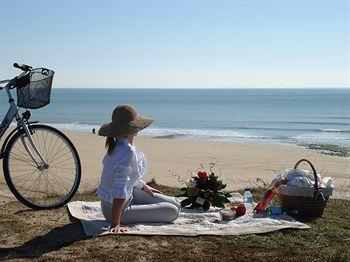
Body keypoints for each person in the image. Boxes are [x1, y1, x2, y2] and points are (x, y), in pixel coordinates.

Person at [97, 104, 181, 233]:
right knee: (173, 212)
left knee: (176, 204)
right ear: (128, 129)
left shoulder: (120, 143)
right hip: (115, 209)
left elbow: (126, 177)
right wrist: (115, 224)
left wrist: (142, 186)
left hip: (129, 195)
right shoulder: (125, 151)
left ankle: (140, 204)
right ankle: (119, 217)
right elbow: (120, 188)